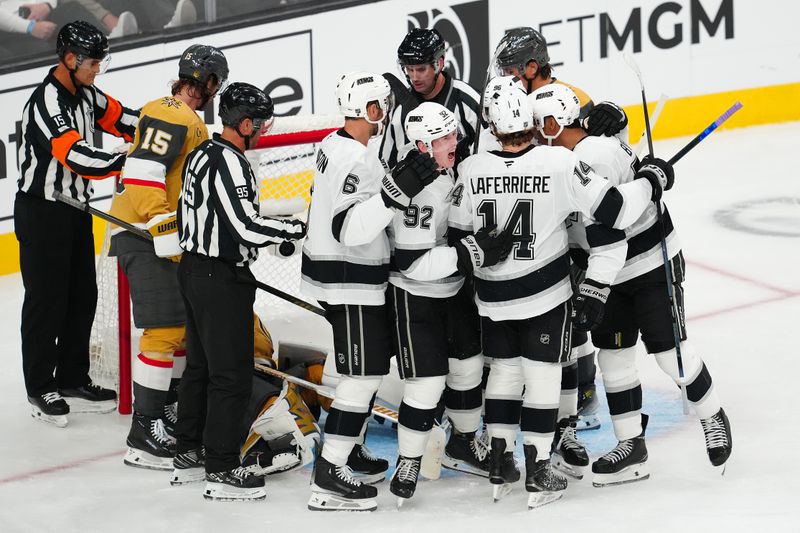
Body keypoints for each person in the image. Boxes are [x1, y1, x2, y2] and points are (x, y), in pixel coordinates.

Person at [448, 85, 673, 509]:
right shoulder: (559, 162)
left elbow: (459, 237)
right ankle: (538, 466)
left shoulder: (472, 168)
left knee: (504, 375)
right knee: (543, 377)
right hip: (544, 296)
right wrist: (651, 179)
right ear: (533, 124)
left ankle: (499, 459)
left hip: (492, 299)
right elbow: (615, 211)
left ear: (494, 127)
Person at [529, 83, 733, 486]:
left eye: (537, 126)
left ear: (553, 124)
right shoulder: (577, 153)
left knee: (669, 354)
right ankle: (631, 448)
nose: (533, 135)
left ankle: (713, 415)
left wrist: (593, 287)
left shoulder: (592, 156)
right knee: (614, 358)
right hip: (607, 272)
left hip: (648, 264)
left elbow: (615, 227)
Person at [300, 71, 438, 511]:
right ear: (371, 110)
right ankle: (329, 473)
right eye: (384, 105)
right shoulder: (356, 159)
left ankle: (347, 451)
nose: (388, 113)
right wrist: (397, 195)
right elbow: (350, 228)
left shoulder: (334, 144)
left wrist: (389, 186)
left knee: (358, 372)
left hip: (338, 277)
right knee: (362, 378)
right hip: (350, 280)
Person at [174, 82, 306, 501]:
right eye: (261, 124)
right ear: (244, 124)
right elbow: (245, 225)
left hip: (194, 271)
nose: (263, 132)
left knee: (199, 367)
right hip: (219, 280)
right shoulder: (228, 162)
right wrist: (292, 228)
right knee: (230, 374)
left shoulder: (201, 154)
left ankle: (189, 453)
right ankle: (222, 467)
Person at [493, 26, 627, 431]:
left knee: (576, 320)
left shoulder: (574, 98)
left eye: (513, 69)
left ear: (533, 67)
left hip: (577, 225)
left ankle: (582, 392)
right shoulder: (513, 100)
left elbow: (611, 157)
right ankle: (560, 395)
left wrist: (618, 123)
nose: (507, 77)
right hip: (545, 224)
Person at [107, 44, 228, 470]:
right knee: (163, 331)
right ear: (210, 82)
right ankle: (145, 432)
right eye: (215, 83)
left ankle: (168, 412)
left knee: (180, 331)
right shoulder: (172, 112)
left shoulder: (179, 113)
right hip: (144, 235)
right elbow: (142, 172)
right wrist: (162, 224)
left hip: (158, 235)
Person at [386, 102, 512, 505]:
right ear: (421, 145)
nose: (452, 142)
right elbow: (413, 263)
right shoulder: (416, 187)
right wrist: (472, 252)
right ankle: (409, 460)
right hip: (416, 296)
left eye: (453, 133)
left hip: (454, 291)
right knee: (426, 385)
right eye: (443, 138)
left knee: (469, 370)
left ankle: (463, 441)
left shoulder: (446, 167)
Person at [14, 20, 138, 428]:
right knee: (45, 301)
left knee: (82, 296)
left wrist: (164, 125)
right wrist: (124, 161)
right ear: (69, 59)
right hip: (43, 212)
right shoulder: (46, 101)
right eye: (93, 62)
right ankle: (40, 385)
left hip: (75, 210)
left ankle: (71, 378)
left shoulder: (86, 94)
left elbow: (123, 119)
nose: (98, 68)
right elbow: (76, 156)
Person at [381, 27, 482, 170]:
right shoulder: (398, 110)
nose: (414, 77)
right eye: (409, 69)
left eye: (421, 69)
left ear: (439, 64)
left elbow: (492, 155)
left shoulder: (468, 100)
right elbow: (385, 165)